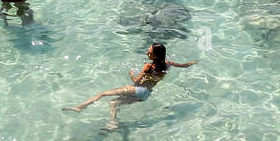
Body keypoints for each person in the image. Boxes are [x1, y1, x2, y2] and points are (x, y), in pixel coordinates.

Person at [64, 44, 196, 128]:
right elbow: (184, 65)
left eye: (149, 53)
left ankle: (80, 107)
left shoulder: (148, 66)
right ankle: (113, 123)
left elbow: (136, 82)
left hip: (139, 89)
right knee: (113, 104)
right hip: (146, 94)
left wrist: (131, 73)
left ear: (155, 56)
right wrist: (193, 62)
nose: (147, 53)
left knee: (102, 94)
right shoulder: (168, 64)